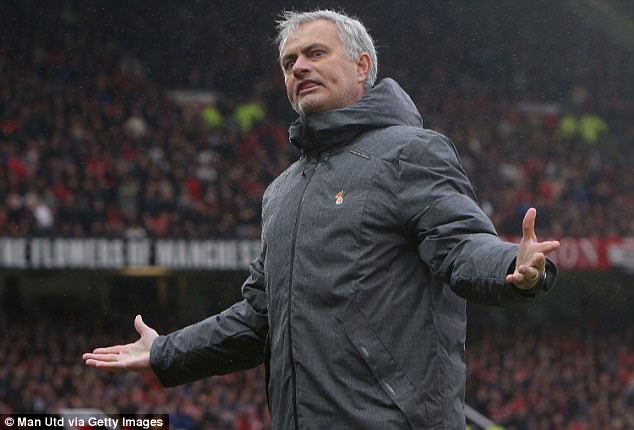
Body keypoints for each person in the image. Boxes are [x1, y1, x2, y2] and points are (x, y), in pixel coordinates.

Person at [84, 9, 560, 429]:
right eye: (288, 62)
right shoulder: (281, 192)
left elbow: (460, 244)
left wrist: (512, 266)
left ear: (362, 66)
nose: (299, 67)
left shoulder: (410, 152)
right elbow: (259, 318)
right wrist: (165, 351)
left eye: (315, 53)